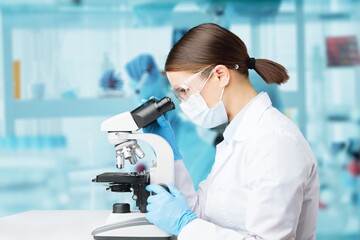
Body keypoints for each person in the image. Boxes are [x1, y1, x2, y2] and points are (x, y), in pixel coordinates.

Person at [143, 23, 319, 239]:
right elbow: (202, 213)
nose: (183, 103)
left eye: (184, 91)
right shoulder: (236, 139)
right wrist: (168, 152)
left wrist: (184, 225)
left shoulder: (274, 141)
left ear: (220, 75)